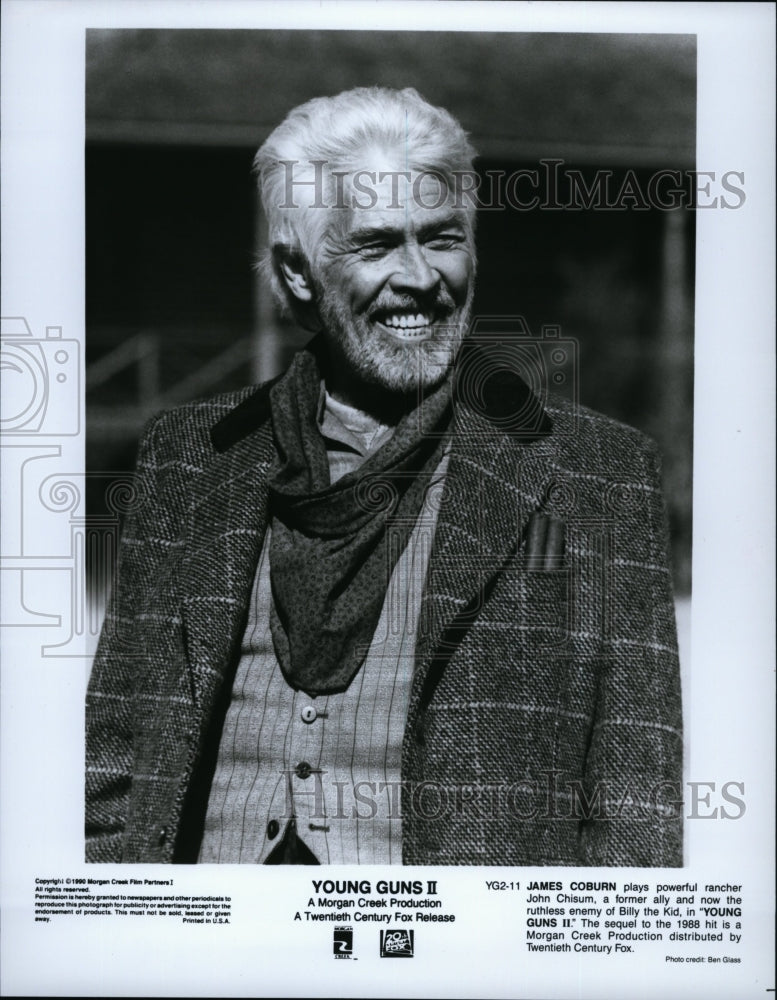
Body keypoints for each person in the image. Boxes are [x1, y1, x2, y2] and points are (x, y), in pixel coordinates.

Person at [85, 86, 683, 866]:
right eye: (374, 247)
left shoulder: (598, 475)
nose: (418, 278)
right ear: (299, 274)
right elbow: (119, 757)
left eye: (441, 239)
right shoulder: (191, 456)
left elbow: (636, 802)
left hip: (465, 963)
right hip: (216, 950)